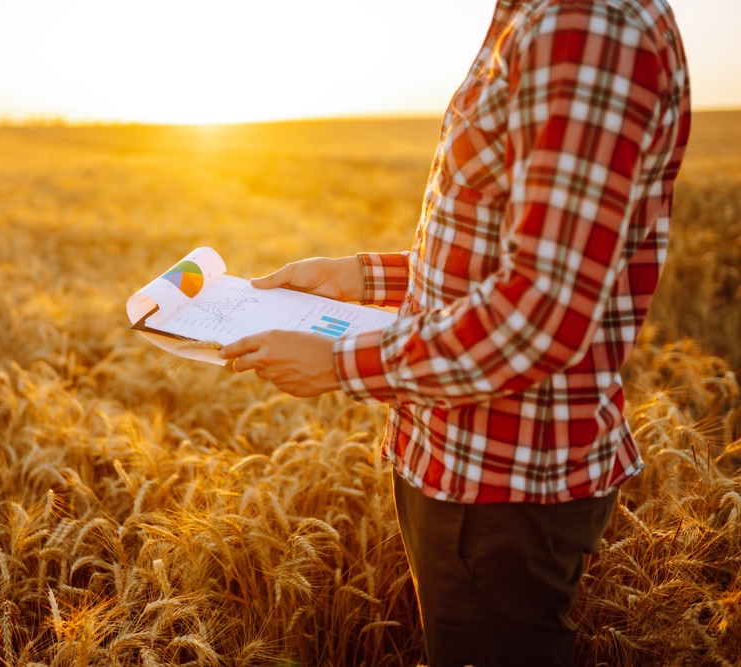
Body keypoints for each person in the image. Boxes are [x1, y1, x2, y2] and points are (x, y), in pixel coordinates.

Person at [219, 0, 691, 665]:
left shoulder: (583, 21)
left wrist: (339, 364)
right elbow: (508, 258)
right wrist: (362, 277)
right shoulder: (540, 16)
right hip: (472, 468)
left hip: (498, 486)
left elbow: (539, 313)